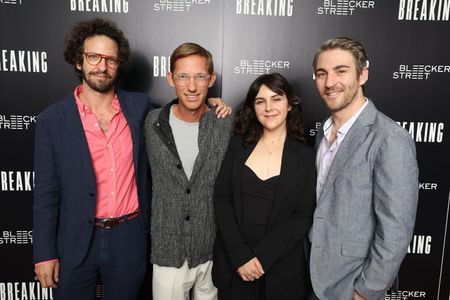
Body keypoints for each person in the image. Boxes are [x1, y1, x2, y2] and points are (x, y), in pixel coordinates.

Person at [32, 18, 152, 300]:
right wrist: (44, 254)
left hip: (129, 236)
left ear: (119, 64)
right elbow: (45, 194)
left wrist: (208, 103)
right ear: (78, 60)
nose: (102, 66)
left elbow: (180, 113)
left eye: (110, 59)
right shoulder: (52, 120)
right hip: (75, 239)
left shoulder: (140, 107)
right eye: (94, 56)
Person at [308, 37, 419, 300]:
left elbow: (395, 230)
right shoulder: (321, 134)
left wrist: (365, 292)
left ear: (362, 75)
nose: (330, 82)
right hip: (312, 278)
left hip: (351, 286)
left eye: (341, 71)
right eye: (322, 73)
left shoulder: (390, 138)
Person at [212, 73, 316, 300]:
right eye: (260, 101)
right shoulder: (237, 145)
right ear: (253, 107)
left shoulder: (306, 157)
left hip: (281, 272)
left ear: (289, 104)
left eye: (276, 99)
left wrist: (260, 259)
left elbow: (302, 216)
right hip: (235, 267)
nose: (268, 107)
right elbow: (222, 198)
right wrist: (241, 256)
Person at [144, 42, 234, 300]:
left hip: (213, 248)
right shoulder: (152, 122)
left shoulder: (225, 123)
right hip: (168, 250)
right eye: (183, 76)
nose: (192, 86)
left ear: (211, 79)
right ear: (170, 78)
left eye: (200, 77)